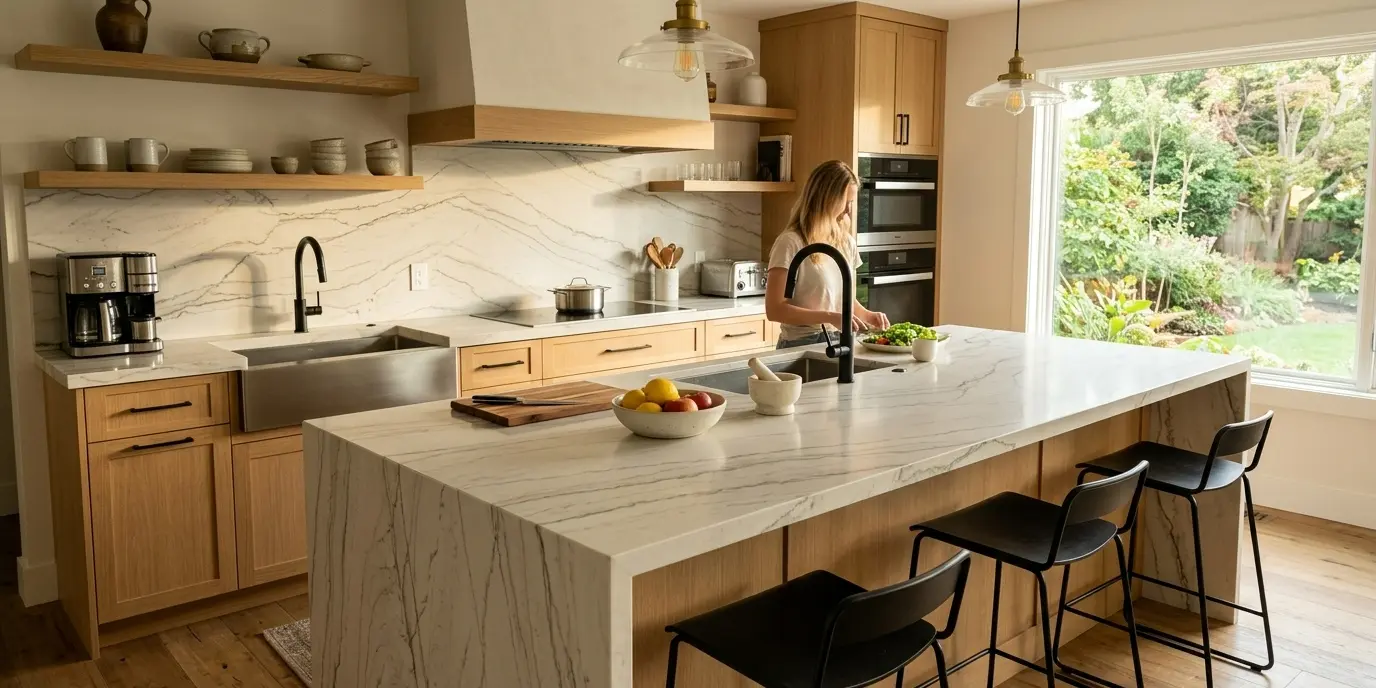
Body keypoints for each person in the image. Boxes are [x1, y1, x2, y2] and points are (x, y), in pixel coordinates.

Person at [765, 160, 890, 349]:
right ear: (826, 198)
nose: (849, 210)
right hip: (802, 343)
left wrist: (868, 315)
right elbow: (774, 310)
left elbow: (843, 299)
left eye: (851, 203)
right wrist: (829, 317)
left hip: (842, 340)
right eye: (845, 202)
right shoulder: (790, 242)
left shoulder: (846, 243)